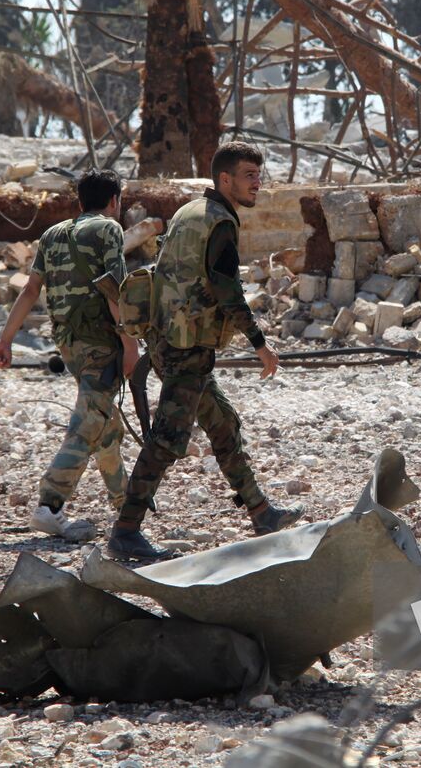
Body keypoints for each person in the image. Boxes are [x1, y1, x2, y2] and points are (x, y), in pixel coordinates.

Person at [106, 141, 302, 562]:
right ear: (225, 179)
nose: (257, 183)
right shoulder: (221, 223)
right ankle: (125, 529)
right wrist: (259, 344)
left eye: (258, 174)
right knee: (168, 438)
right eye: (249, 175)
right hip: (187, 348)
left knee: (223, 425)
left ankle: (261, 512)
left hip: (167, 339)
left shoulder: (189, 211)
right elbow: (226, 288)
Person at [0, 169, 136, 538]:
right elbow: (115, 289)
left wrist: (5, 339)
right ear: (115, 201)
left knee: (105, 422)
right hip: (101, 342)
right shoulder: (109, 229)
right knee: (89, 421)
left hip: (69, 343)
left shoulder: (52, 234)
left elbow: (30, 290)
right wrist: (131, 344)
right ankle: (50, 504)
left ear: (80, 200)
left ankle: (127, 503)